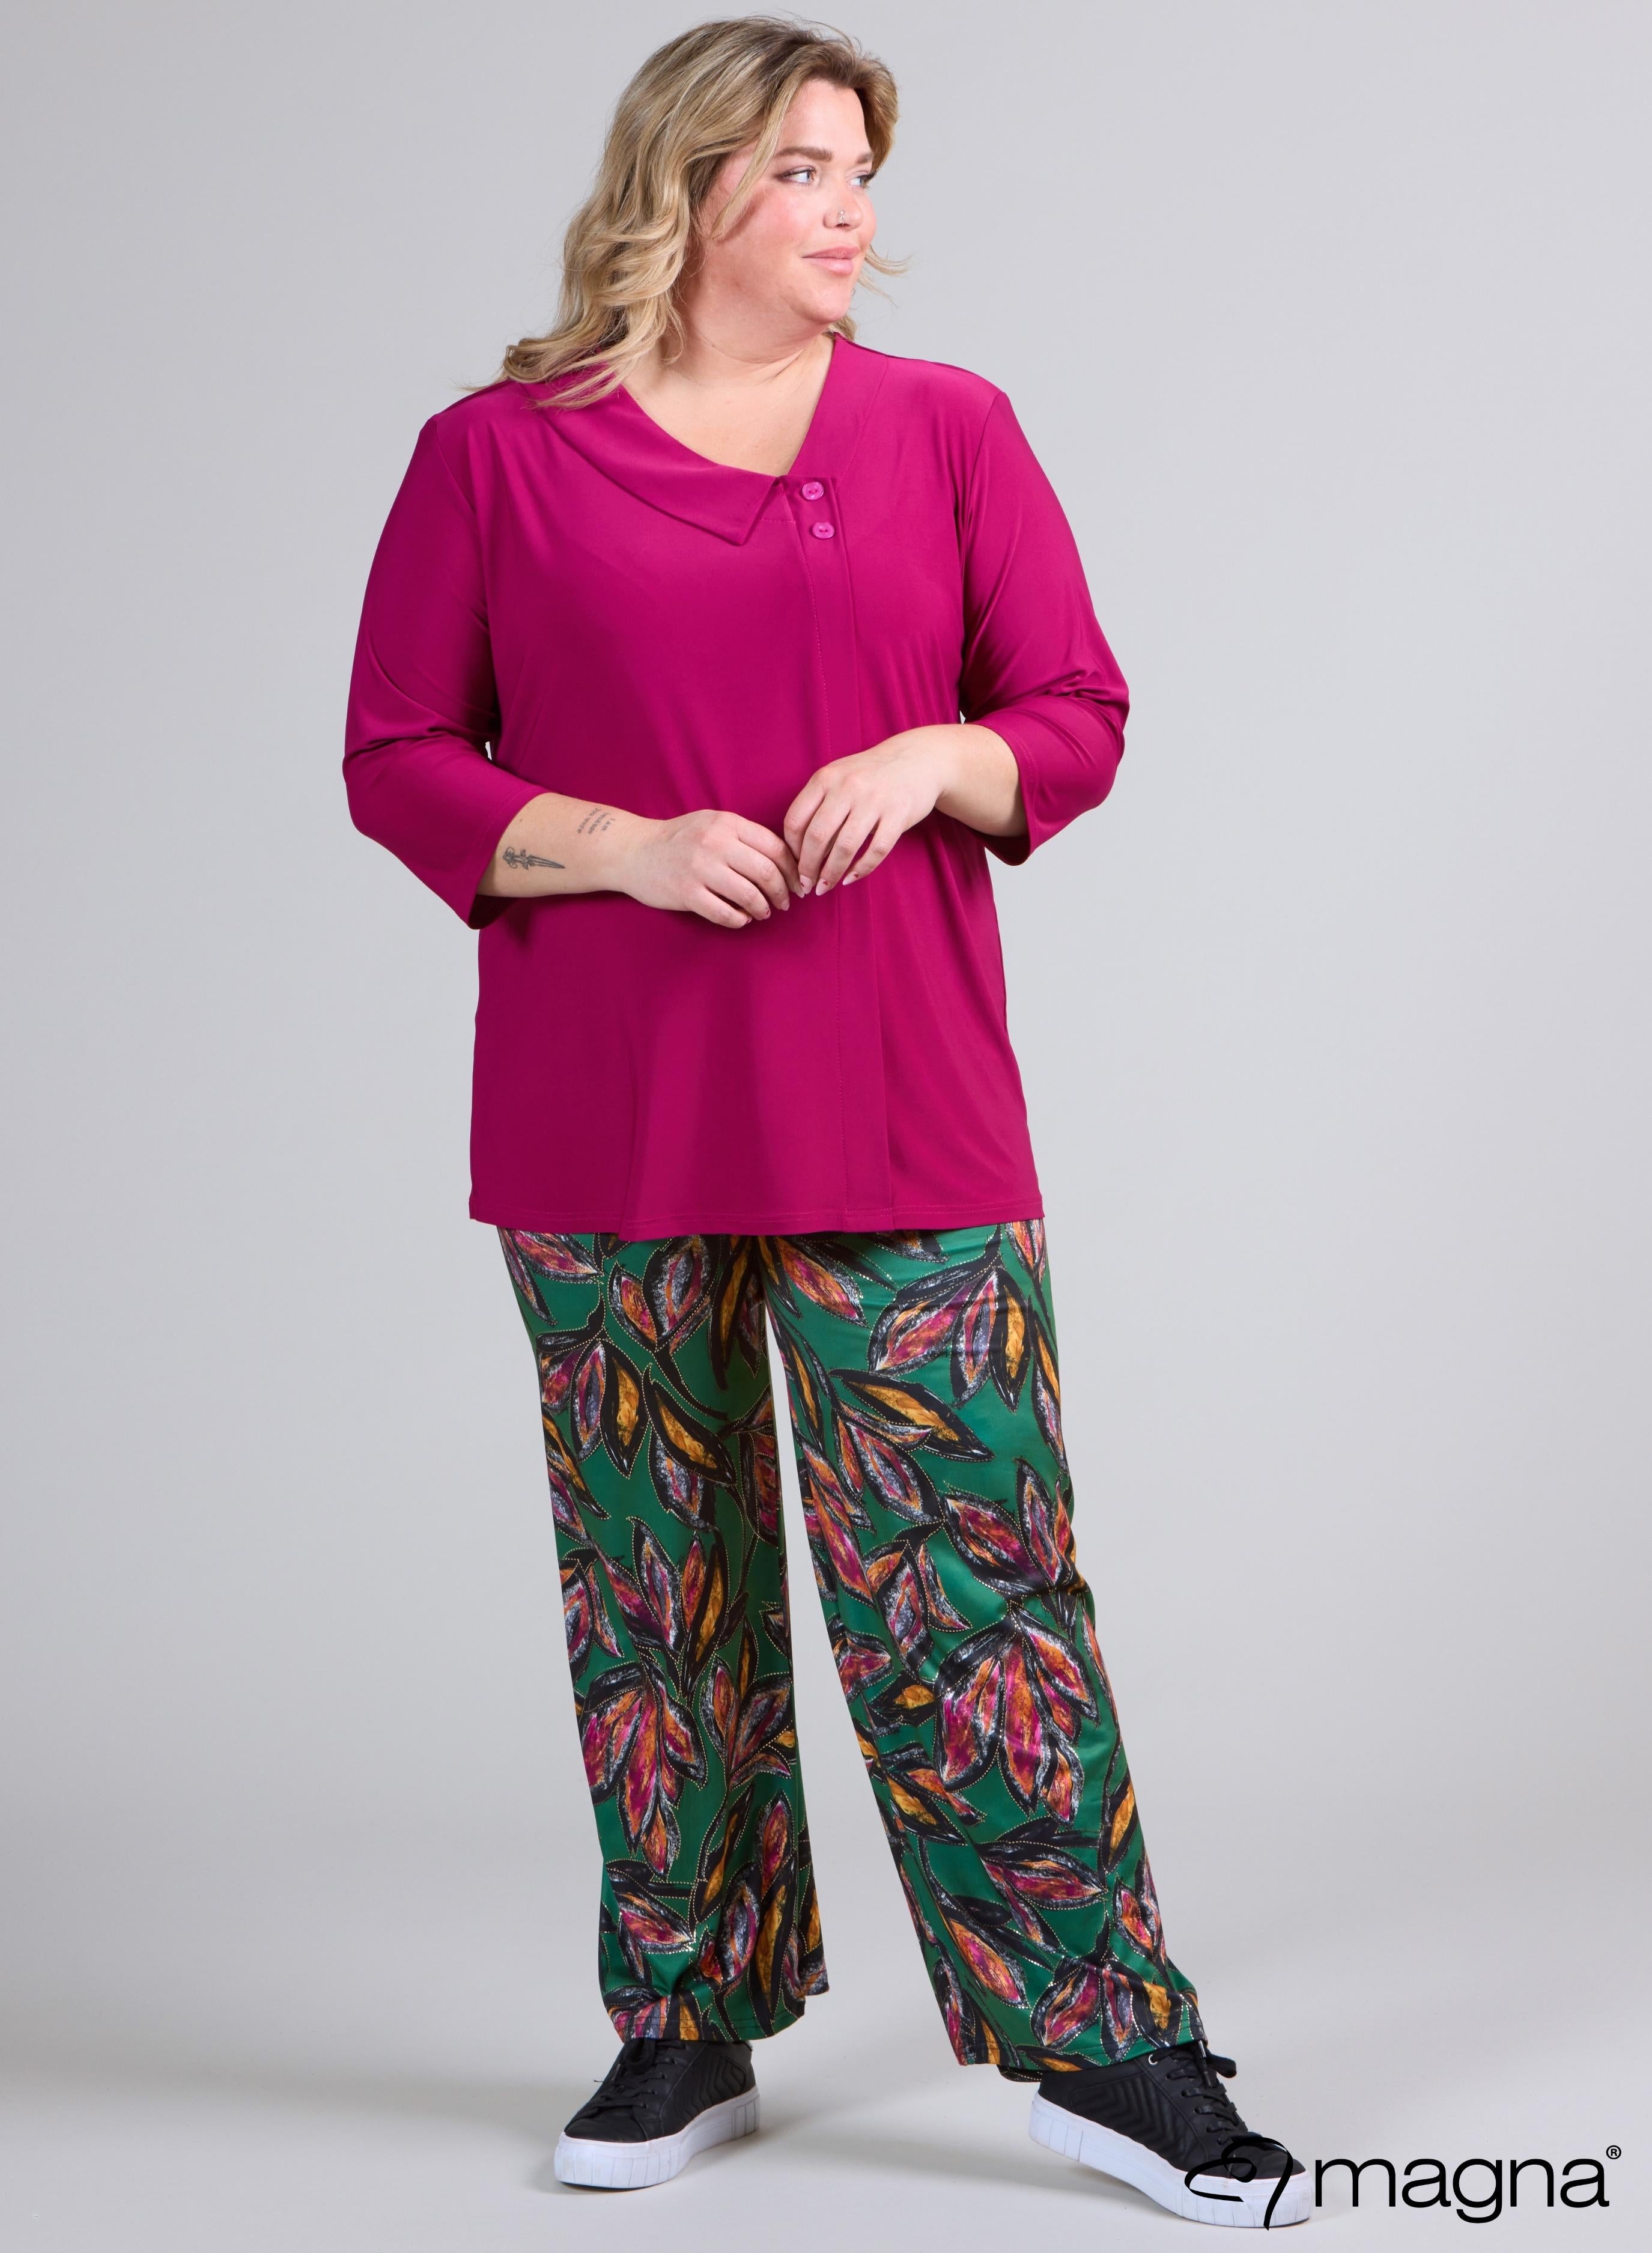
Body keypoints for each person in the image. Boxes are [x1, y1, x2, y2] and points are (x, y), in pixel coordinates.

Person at [342, 14, 1306, 2229]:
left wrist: (932, 760)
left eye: (861, 169)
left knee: (977, 1575)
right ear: (683, 187)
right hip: (610, 1111)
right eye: (800, 169)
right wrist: (620, 842)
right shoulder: (495, 457)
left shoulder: (949, 428)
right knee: (652, 1590)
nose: (849, 208)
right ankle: (688, 2016)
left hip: (894, 1092)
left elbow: (1073, 711)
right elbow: (401, 755)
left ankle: (1106, 2043)